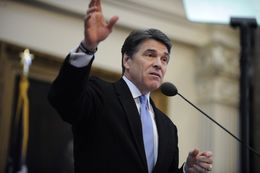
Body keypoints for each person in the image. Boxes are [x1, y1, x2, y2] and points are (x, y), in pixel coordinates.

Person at [48, 0, 213, 172]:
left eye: (164, 59)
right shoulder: (100, 96)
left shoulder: (168, 128)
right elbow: (63, 99)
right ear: (127, 60)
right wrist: (88, 47)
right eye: (150, 55)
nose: (159, 64)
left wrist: (186, 170)